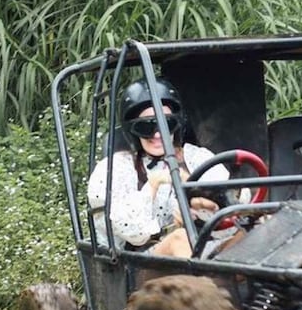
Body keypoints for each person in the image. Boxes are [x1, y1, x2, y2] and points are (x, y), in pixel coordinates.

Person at [87, 78, 232, 258]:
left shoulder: (195, 157)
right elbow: (132, 233)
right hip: (142, 263)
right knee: (180, 239)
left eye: (167, 124)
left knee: (253, 231)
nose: (157, 134)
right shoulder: (116, 168)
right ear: (133, 130)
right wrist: (153, 184)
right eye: (146, 126)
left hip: (205, 249)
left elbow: (228, 204)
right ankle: (208, 284)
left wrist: (199, 201)